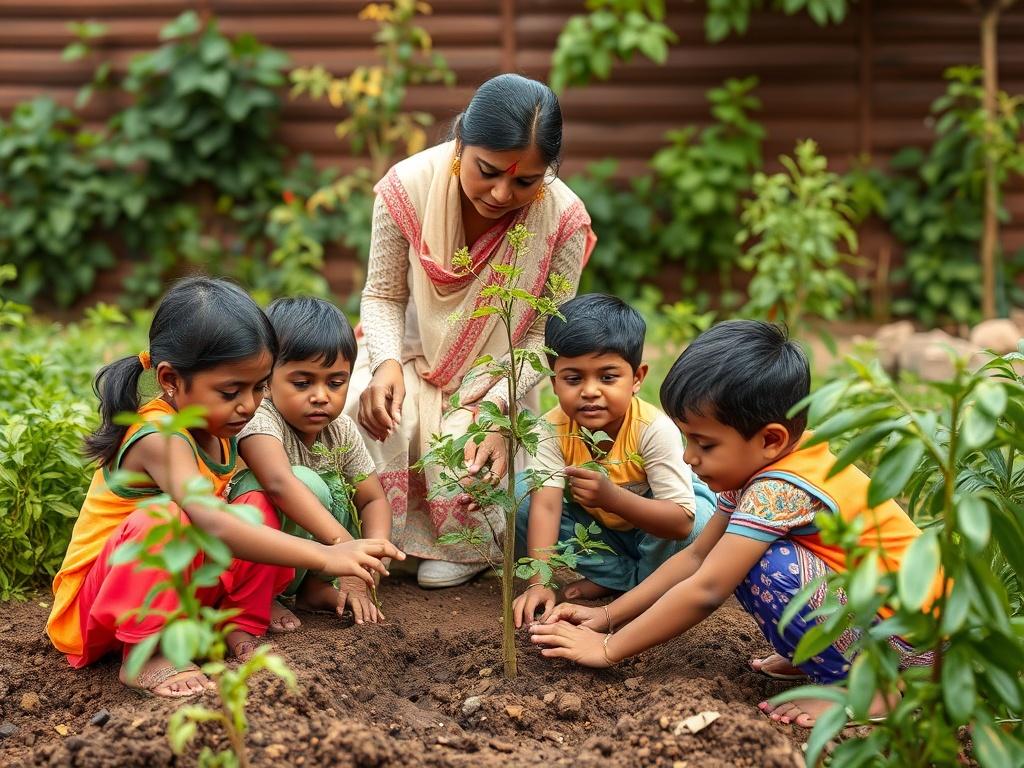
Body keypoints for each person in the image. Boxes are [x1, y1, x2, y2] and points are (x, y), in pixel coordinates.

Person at [529, 320, 938, 727]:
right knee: (739, 557)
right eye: (687, 439)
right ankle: (825, 656)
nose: (689, 458)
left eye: (705, 444)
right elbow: (695, 558)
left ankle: (867, 688)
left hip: (914, 640)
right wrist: (607, 617)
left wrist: (608, 648)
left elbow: (708, 588)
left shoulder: (780, 488)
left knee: (768, 567)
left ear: (770, 439)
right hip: (887, 619)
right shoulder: (760, 467)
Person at [46, 277, 403, 698]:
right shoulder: (160, 436)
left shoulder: (220, 426)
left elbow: (276, 491)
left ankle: (238, 622)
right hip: (100, 605)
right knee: (166, 518)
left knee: (255, 504)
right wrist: (327, 554)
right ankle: (147, 654)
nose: (249, 405)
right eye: (231, 391)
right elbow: (212, 525)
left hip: (176, 594)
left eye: (258, 387)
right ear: (171, 380)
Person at [348, 73, 595, 589]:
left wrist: (499, 405)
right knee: (364, 416)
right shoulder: (406, 189)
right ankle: (379, 534)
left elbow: (543, 337)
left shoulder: (563, 222)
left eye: (526, 182)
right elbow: (382, 295)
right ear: (460, 143)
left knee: (473, 445)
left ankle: (466, 548)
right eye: (486, 171)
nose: (502, 193)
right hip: (409, 355)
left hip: (495, 376)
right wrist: (386, 364)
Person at [510, 294, 715, 627]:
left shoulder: (652, 429)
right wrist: (539, 582)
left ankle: (637, 587)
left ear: (637, 378)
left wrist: (611, 497)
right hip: (604, 531)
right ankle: (624, 578)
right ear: (554, 382)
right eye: (573, 379)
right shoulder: (550, 429)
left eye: (607, 377)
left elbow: (680, 522)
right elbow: (546, 507)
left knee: (700, 524)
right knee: (522, 498)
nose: (590, 391)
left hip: (660, 529)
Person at [232, 297, 392, 627]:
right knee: (306, 482)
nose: (321, 395)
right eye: (302, 383)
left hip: (313, 556)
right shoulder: (259, 416)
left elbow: (373, 498)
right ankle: (264, 595)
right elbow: (279, 484)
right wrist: (347, 548)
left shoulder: (340, 429)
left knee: (340, 490)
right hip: (248, 556)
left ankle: (314, 588)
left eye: (335, 383)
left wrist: (367, 562)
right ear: (267, 378)